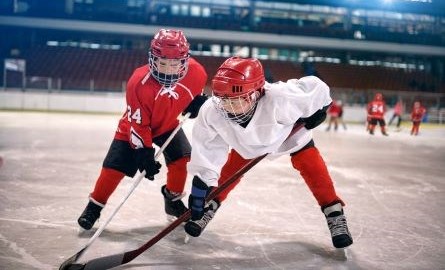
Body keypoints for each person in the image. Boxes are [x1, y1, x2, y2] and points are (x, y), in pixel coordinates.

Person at [184, 57, 353, 249]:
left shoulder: (282, 97)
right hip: (248, 144)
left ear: (256, 93)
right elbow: (207, 150)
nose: (228, 108)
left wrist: (321, 108)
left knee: (311, 165)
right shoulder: (212, 111)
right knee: (229, 171)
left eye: (236, 100)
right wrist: (200, 189)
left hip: (287, 136)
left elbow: (317, 87)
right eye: (223, 100)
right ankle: (210, 205)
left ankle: (334, 212)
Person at [77, 29, 208, 230]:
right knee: (114, 168)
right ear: (152, 59)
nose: (168, 70)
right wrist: (144, 152)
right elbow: (138, 124)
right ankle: (94, 206)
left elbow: (193, 95)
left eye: (174, 64)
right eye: (162, 63)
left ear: (184, 60)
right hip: (134, 127)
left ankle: (172, 201)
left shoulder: (197, 73)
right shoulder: (138, 82)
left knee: (182, 159)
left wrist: (195, 104)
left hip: (167, 125)